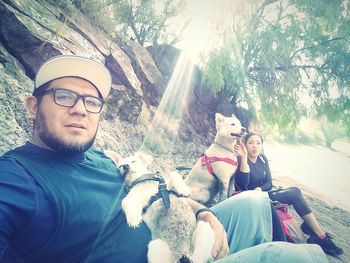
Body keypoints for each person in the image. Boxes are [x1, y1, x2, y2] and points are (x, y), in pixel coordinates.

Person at [0, 55, 327, 263]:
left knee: (255, 203)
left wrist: (203, 214)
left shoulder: (101, 158)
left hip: (180, 230)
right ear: (32, 105)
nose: (80, 108)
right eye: (64, 96)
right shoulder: (17, 180)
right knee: (300, 257)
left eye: (91, 101)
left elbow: (154, 186)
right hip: (167, 256)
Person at [234, 132, 343, 256]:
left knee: (295, 191)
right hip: (249, 199)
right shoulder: (240, 158)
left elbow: (269, 183)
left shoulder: (263, 159)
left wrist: (259, 188)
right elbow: (242, 185)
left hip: (263, 194)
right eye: (251, 143)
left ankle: (318, 234)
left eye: (258, 143)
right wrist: (243, 159)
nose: (255, 146)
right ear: (245, 145)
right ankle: (319, 235)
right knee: (294, 193)